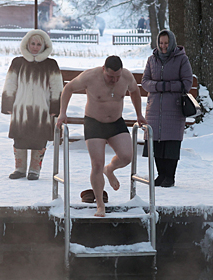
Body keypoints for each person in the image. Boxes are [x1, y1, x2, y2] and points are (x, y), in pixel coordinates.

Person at [57, 56, 147, 217]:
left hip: (115, 122)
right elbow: (68, 88)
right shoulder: (90, 76)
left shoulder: (126, 76)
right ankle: (100, 205)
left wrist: (139, 114)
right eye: (110, 76)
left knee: (127, 157)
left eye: (117, 77)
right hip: (94, 123)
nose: (114, 80)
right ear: (103, 69)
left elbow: (134, 91)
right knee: (97, 164)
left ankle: (110, 169)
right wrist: (62, 113)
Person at [2, 29, 63, 180]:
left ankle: (35, 169)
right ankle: (19, 169)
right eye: (32, 43)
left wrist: (56, 107)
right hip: (21, 108)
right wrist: (8, 104)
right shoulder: (17, 62)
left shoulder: (51, 64)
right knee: (19, 138)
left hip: (43, 109)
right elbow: (10, 83)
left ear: (44, 46)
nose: (35, 47)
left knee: (39, 139)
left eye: (38, 44)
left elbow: (57, 87)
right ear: (27, 44)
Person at [141, 29, 193, 187]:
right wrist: (158, 86)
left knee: (171, 143)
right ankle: (160, 174)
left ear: (172, 43)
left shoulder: (182, 60)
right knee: (156, 142)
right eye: (161, 43)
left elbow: (187, 83)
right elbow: (145, 82)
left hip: (174, 108)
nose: (163, 46)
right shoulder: (152, 60)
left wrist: (167, 86)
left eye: (166, 43)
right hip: (154, 107)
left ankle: (170, 176)